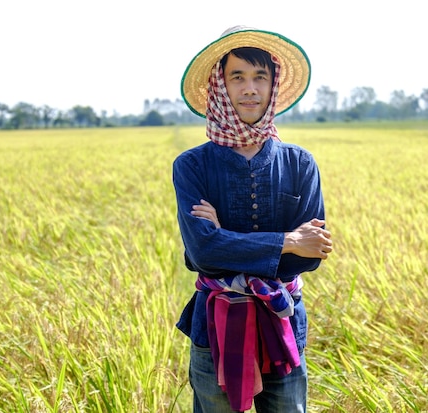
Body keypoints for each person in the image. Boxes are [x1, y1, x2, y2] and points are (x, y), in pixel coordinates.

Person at [172, 25, 333, 413]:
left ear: (273, 85)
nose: (249, 88)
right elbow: (204, 251)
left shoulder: (299, 163)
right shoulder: (192, 165)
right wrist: (288, 239)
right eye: (237, 76)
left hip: (284, 323)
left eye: (260, 77)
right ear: (219, 85)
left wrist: (225, 237)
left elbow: (309, 257)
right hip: (215, 327)